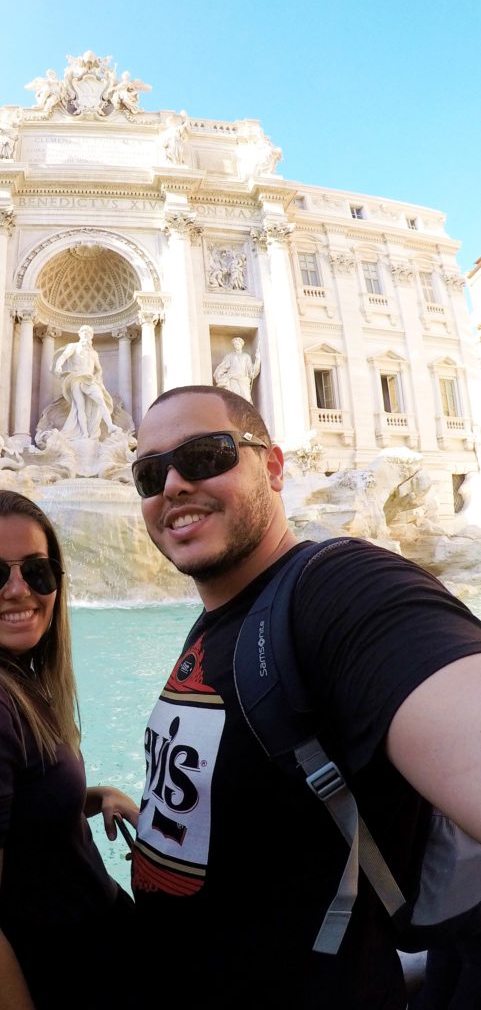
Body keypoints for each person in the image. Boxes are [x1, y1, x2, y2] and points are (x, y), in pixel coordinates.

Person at [129, 384, 481, 1010]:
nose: (174, 485)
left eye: (206, 455)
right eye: (151, 472)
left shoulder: (342, 589)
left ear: (272, 466)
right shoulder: (223, 617)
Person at [0, 490, 139, 1010]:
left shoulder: (13, 681)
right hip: (42, 982)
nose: (19, 591)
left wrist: (89, 796)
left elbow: (12, 810)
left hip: (76, 965)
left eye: (38, 572)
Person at [53, 325, 117, 441]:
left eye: (88, 333)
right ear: (80, 334)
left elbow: (99, 369)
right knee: (79, 406)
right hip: (76, 378)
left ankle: (110, 426)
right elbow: (64, 356)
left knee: (101, 401)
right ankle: (85, 434)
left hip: (90, 379)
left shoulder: (94, 353)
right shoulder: (73, 347)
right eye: (84, 332)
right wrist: (58, 366)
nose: (86, 334)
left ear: (91, 337)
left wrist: (98, 377)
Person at [213, 335, 260, 400]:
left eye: (237, 344)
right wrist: (219, 375)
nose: (236, 345)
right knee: (233, 399)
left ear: (241, 345)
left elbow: (251, 371)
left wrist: (257, 359)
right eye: (235, 344)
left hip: (243, 380)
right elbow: (223, 367)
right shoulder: (230, 356)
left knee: (246, 399)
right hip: (232, 380)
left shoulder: (246, 356)